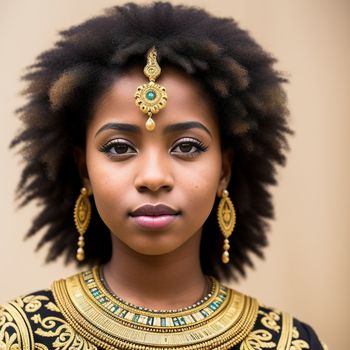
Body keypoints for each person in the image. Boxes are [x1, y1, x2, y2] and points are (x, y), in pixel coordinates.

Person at [0, 2, 327, 349]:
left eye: (186, 147)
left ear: (224, 172)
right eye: (118, 147)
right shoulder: (19, 335)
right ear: (84, 171)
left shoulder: (288, 342)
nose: (154, 177)